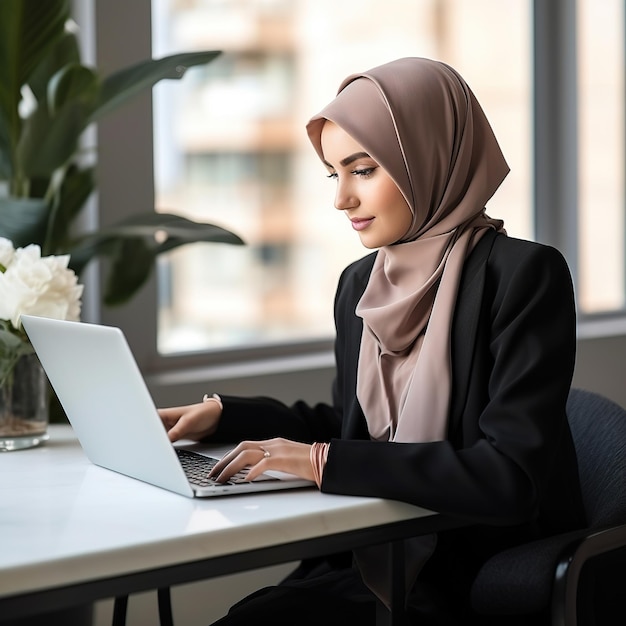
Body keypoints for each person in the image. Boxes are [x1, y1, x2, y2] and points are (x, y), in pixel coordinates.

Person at [158, 57, 586, 625]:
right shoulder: (362, 283)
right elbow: (351, 428)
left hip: (468, 572)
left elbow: (507, 477)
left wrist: (319, 462)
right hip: (365, 554)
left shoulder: (524, 276)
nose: (342, 200)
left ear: (429, 158)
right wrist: (223, 416)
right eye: (335, 174)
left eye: (363, 171)